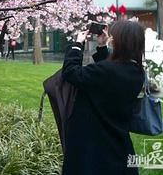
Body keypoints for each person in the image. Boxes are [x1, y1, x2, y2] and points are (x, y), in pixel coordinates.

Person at [61, 20, 145, 175]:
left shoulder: (107, 71)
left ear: (122, 42)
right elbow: (109, 75)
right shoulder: (137, 72)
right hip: (118, 144)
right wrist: (102, 47)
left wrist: (77, 45)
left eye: (114, 37)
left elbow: (71, 72)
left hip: (94, 147)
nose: (112, 39)